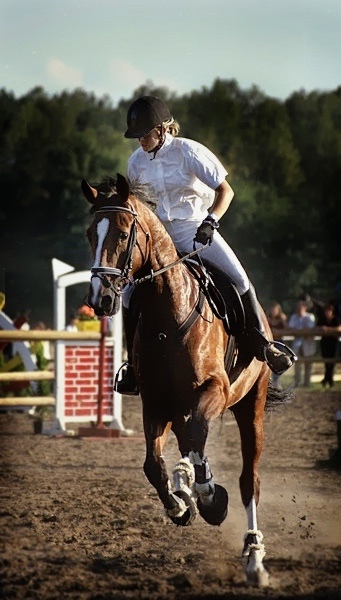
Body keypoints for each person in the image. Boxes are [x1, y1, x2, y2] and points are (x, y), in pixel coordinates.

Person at [117, 96, 295, 394]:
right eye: (137, 137)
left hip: (195, 230)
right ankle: (132, 366)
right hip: (158, 238)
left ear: (162, 130)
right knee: (128, 293)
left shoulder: (189, 151)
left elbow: (226, 191)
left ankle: (263, 344)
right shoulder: (135, 162)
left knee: (238, 278)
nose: (141, 142)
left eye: (145, 135)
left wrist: (211, 221)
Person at [287, 300, 316, 388]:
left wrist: (300, 331)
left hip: (308, 344)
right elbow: (291, 328)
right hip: (297, 344)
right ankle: (297, 383)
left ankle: (307, 383)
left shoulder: (310, 317)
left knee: (308, 365)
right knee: (297, 365)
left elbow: (310, 328)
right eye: (298, 307)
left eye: (301, 307)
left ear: (305, 308)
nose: (299, 309)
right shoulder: (294, 317)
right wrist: (299, 331)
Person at [316, 303, 341, 389]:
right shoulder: (322, 319)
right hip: (324, 342)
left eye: (329, 311)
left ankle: (328, 380)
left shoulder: (336, 319)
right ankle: (328, 380)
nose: (327, 312)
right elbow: (316, 327)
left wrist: (328, 329)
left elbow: (339, 328)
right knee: (326, 362)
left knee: (332, 362)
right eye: (326, 311)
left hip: (334, 342)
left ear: (332, 312)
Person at [266, 302, 287, 389]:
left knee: (279, 361)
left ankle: (277, 381)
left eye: (275, 310)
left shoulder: (281, 320)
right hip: (270, 343)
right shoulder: (268, 319)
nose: (273, 311)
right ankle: (270, 382)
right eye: (272, 310)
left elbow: (286, 329)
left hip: (279, 343)